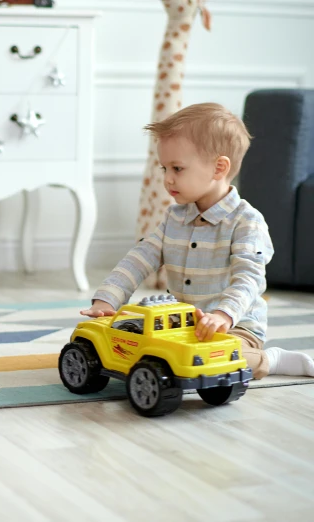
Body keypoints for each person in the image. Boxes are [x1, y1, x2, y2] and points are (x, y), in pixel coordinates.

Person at [80, 103, 314, 378]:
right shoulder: (174, 218)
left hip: (233, 326)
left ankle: (271, 360)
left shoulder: (246, 222)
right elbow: (139, 259)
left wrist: (223, 315)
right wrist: (108, 300)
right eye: (164, 168)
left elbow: (249, 278)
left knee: (219, 360)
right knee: (139, 348)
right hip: (180, 326)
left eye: (177, 168)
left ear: (219, 168)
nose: (167, 179)